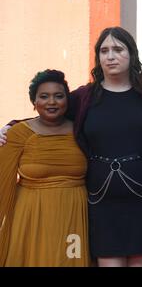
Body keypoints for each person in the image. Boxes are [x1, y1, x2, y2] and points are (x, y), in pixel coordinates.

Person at [0, 27, 142, 267]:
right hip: (102, 201)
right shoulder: (85, 96)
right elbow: (49, 112)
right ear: (97, 57)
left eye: (118, 49)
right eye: (104, 50)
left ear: (132, 54)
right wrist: (11, 126)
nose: (111, 56)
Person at [0, 69, 90, 266]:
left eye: (59, 96)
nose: (52, 102)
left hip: (72, 216)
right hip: (30, 218)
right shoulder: (17, 134)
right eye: (44, 96)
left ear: (67, 101)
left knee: (70, 260)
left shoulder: (81, 132)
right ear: (34, 102)